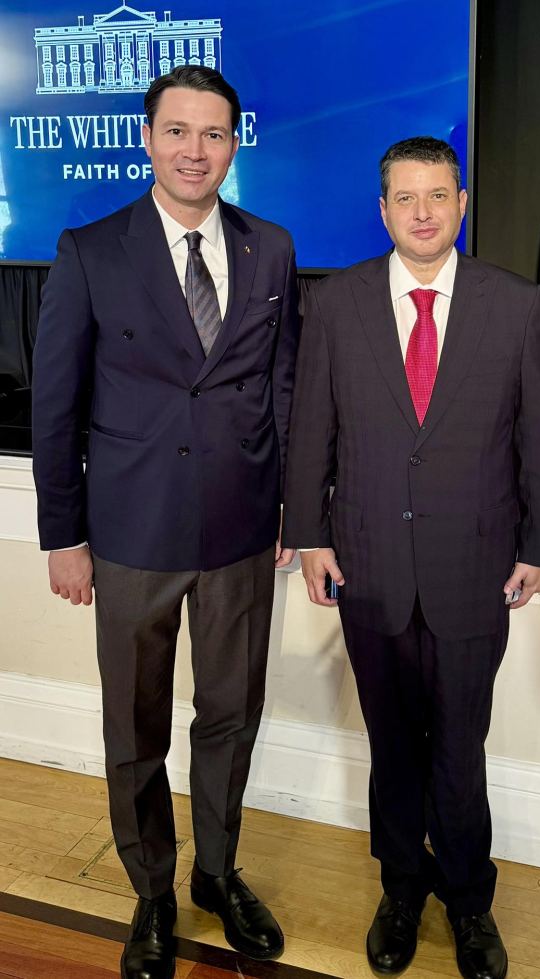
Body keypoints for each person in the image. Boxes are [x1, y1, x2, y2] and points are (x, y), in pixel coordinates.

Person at [32, 66, 299, 979]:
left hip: (241, 531)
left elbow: (284, 390)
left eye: (213, 134)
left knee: (230, 713)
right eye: (177, 131)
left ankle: (217, 873)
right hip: (129, 535)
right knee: (135, 723)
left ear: (234, 144)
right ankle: (152, 890)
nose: (195, 150)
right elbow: (55, 406)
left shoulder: (272, 247)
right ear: (147, 139)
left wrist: (293, 509)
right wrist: (65, 536)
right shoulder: (90, 250)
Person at [282, 136, 540, 979]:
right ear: (382, 210)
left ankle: (471, 901)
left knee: (459, 749)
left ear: (462, 203)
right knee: (394, 746)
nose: (422, 212)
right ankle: (402, 888)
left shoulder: (516, 305)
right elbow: (312, 427)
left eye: (438, 195)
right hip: (368, 567)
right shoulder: (336, 303)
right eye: (405, 198)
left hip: (475, 571)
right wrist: (311, 533)